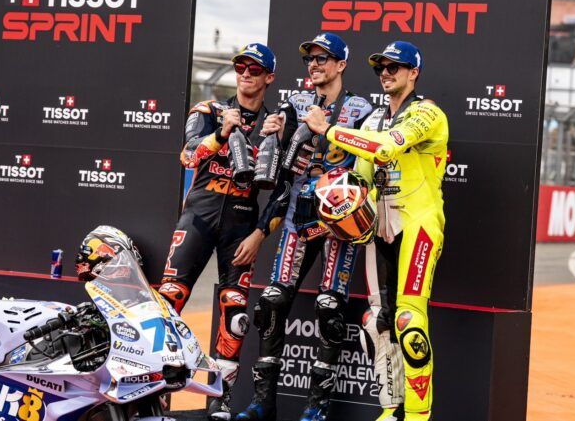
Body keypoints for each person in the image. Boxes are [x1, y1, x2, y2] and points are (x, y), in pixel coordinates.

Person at [302, 41, 449, 421]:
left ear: (413, 72)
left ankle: (417, 415)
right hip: (378, 230)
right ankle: (390, 409)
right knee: (379, 322)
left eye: (394, 67)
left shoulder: (427, 114)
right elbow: (364, 178)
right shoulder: (371, 122)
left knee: (409, 321)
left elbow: (385, 150)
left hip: (419, 224)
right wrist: (335, 204)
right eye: (380, 67)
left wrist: (328, 130)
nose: (385, 73)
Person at [237, 33, 373, 421]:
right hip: (300, 211)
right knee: (272, 300)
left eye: (322, 59)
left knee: (330, 306)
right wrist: (275, 130)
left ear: (341, 65)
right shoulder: (295, 103)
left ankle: (317, 407)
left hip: (339, 215)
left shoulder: (361, 109)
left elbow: (370, 159)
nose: (314, 65)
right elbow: (277, 162)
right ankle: (263, 402)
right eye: (309, 59)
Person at [158, 43, 293, 421]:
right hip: (198, 219)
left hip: (241, 227)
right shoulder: (209, 111)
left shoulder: (277, 125)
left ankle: (220, 399)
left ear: (269, 77)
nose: (246, 74)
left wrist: (260, 234)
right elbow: (187, 155)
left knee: (235, 315)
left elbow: (284, 190)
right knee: (168, 301)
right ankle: (158, 391)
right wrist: (222, 133)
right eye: (240, 67)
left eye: (255, 69)